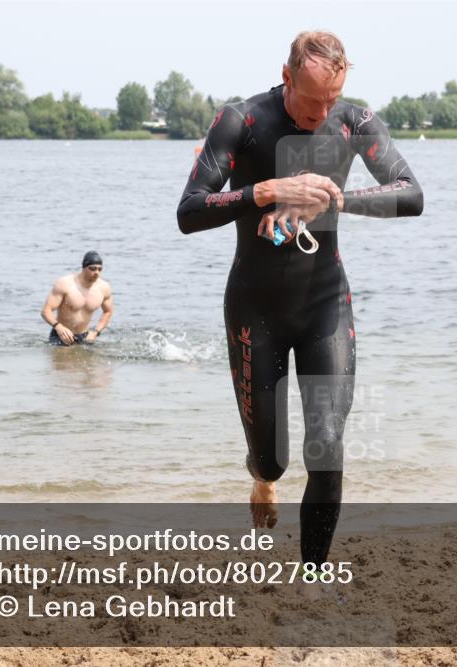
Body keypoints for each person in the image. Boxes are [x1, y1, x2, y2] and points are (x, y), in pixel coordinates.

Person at [176, 31, 423, 569]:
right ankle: (262, 479)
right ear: (286, 76)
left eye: (333, 98)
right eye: (313, 102)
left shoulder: (355, 121)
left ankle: (313, 574)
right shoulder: (241, 120)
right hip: (254, 309)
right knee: (272, 460)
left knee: (327, 445)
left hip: (324, 305)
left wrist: (335, 200)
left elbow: (411, 193)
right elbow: (189, 211)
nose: (323, 113)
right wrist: (266, 191)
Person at [41, 251, 114, 346]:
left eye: (100, 269)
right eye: (92, 269)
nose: (96, 272)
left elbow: (108, 311)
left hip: (85, 336)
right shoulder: (65, 284)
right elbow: (46, 311)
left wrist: (96, 332)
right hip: (61, 335)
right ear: (83, 268)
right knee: (62, 355)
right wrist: (58, 327)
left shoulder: (104, 288)